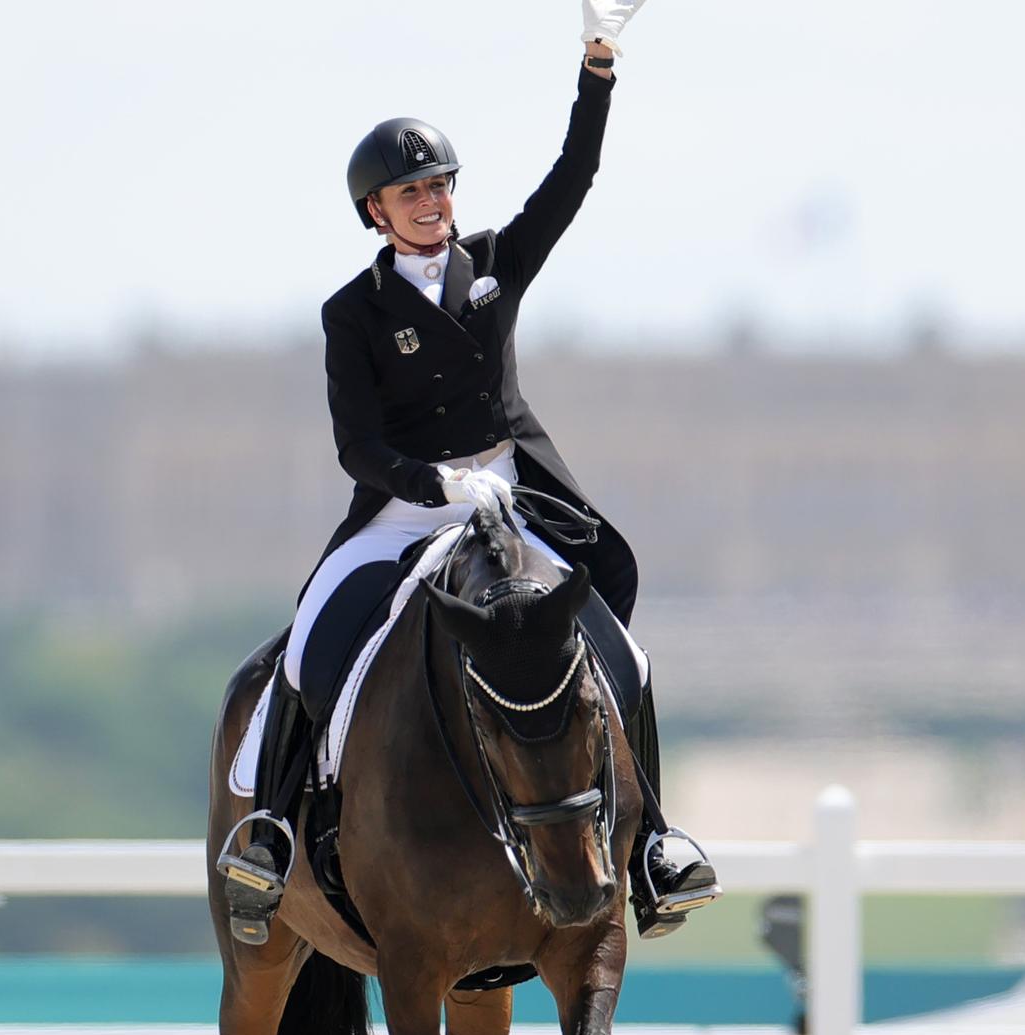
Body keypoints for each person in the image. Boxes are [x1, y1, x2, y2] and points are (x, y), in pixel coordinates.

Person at [218, 1, 720, 942]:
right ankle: (274, 831)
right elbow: (356, 446)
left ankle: (653, 842)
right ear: (376, 212)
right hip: (409, 506)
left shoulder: (494, 262)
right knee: (312, 643)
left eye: (440, 185)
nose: (432, 201)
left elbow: (572, 179)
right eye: (410, 192)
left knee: (624, 651)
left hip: (512, 492)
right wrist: (433, 484)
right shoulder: (353, 314)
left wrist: (598, 66)